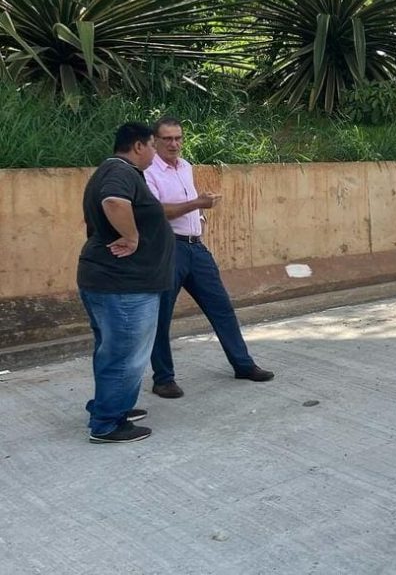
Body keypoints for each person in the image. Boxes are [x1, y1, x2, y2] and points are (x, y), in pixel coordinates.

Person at [145, 116, 274, 398]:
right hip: (169, 248)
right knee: (161, 315)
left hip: (196, 247)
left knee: (221, 307)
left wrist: (198, 213)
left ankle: (243, 364)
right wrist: (197, 203)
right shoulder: (149, 171)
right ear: (154, 141)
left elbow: (185, 204)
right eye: (167, 138)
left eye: (178, 138)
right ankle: (163, 378)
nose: (174, 144)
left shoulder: (185, 166)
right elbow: (157, 212)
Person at [78, 122, 174, 443]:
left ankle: (111, 406)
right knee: (125, 353)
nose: (154, 153)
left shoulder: (113, 170)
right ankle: (107, 423)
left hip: (111, 281)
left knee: (111, 350)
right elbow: (114, 201)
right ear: (138, 146)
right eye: (152, 145)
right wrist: (132, 237)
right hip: (123, 285)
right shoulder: (120, 172)